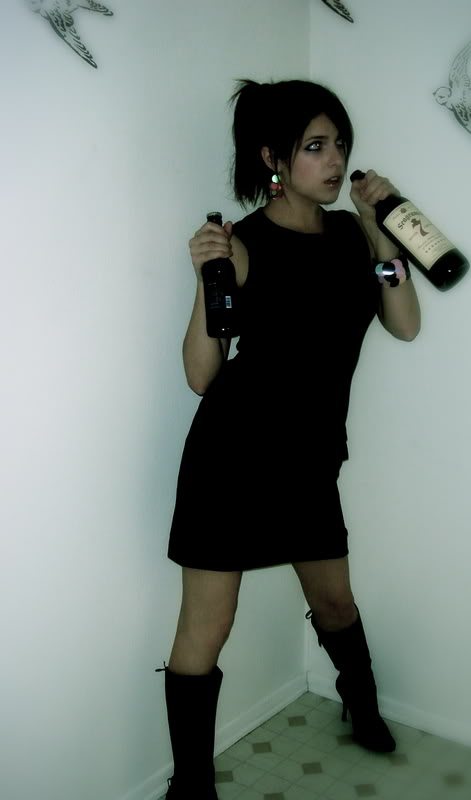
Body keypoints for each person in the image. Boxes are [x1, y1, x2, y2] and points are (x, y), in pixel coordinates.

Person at [161, 78, 421, 799]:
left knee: (336, 603)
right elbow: (200, 375)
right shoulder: (240, 244)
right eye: (314, 146)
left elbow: (404, 322)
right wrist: (204, 276)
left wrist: (378, 229)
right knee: (208, 627)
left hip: (309, 462)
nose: (335, 161)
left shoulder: (352, 236)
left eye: (339, 145)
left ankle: (361, 705)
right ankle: (191, 783)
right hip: (232, 462)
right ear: (272, 158)